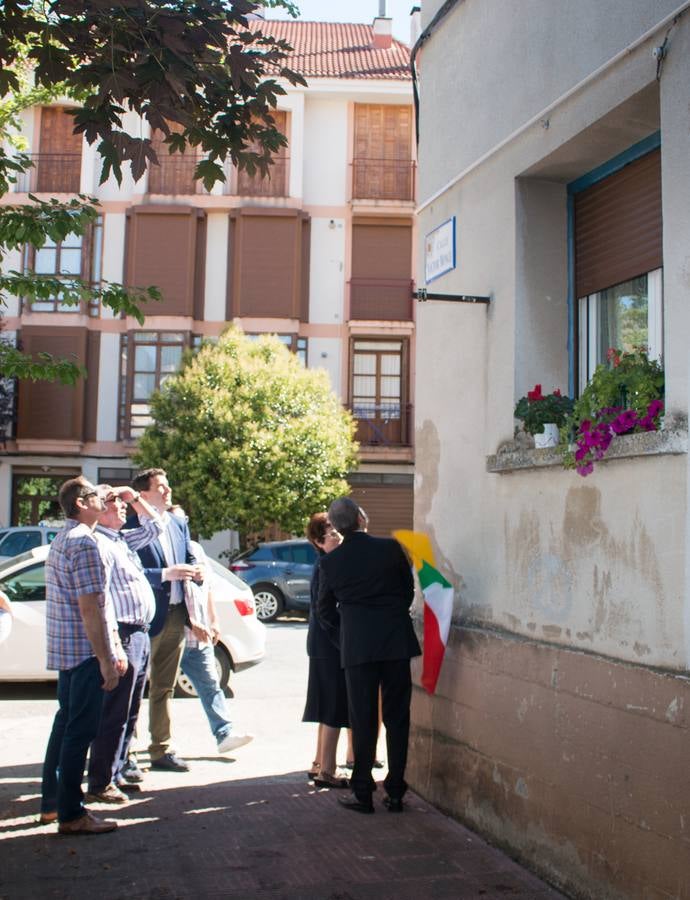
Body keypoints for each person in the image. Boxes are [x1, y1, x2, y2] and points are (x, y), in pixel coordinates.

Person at [317, 497, 421, 814]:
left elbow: (324, 611)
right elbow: (407, 592)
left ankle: (362, 790)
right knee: (397, 717)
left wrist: (345, 635)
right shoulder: (391, 548)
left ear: (338, 526)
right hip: (395, 642)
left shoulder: (330, 562)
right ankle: (395, 791)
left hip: (358, 647)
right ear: (362, 518)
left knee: (362, 719)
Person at [39, 477, 126, 834]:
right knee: (79, 731)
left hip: (66, 650)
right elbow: (91, 608)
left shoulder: (63, 539)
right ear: (80, 504)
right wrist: (105, 658)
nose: (102, 499)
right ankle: (72, 814)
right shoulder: (85, 544)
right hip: (84, 653)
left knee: (65, 726)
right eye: (95, 495)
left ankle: (53, 803)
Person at [85, 485, 164, 803]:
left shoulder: (121, 539)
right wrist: (114, 644)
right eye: (113, 502)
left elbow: (156, 525)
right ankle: (101, 779)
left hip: (141, 633)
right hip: (124, 633)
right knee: (114, 711)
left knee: (130, 711)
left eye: (122, 502)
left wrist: (135, 496)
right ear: (97, 509)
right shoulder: (100, 541)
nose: (121, 507)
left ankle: (116, 771)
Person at [128, 468, 202, 772]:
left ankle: (161, 748)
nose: (168, 490)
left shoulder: (177, 522)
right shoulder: (129, 525)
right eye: (161, 486)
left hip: (176, 614)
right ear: (143, 494)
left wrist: (196, 569)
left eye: (168, 485)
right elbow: (127, 572)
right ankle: (126, 753)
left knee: (164, 686)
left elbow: (190, 554)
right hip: (145, 619)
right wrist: (164, 575)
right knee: (132, 690)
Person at [169, 505, 253, 755]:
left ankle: (224, 734)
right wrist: (189, 621)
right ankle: (159, 743)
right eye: (176, 520)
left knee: (210, 685)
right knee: (160, 692)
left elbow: (207, 589)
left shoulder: (195, 550)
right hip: (173, 634)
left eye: (184, 519)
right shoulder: (164, 550)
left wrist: (214, 620)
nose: (182, 524)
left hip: (199, 635)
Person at [302, 513, 349, 788]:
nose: (338, 536)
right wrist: (341, 640)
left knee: (326, 705)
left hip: (321, 643)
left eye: (338, 530)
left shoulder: (325, 563)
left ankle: (319, 762)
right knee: (333, 706)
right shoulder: (327, 564)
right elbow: (324, 610)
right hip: (329, 645)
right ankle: (327, 771)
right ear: (319, 542)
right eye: (331, 533)